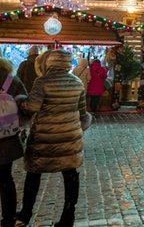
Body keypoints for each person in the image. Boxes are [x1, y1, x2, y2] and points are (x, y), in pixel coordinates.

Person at [16, 49, 90, 227]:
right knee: (70, 174)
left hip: (45, 137)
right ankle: (68, 217)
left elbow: (32, 106)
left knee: (33, 174)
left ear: (48, 62)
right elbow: (82, 112)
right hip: (70, 136)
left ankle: (25, 214)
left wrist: (20, 102)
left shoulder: (42, 82)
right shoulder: (77, 83)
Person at [0, 57, 26, 227]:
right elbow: (26, 106)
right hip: (6, 139)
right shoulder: (12, 80)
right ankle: (8, 218)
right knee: (5, 178)